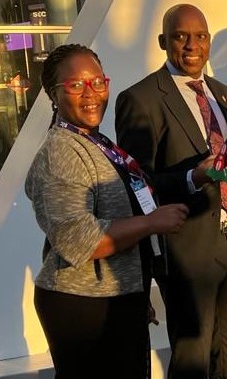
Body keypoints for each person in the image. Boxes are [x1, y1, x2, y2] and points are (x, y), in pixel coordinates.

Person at [115, 4, 227, 379]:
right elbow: (137, 183)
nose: (191, 44)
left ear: (209, 42)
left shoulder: (223, 93)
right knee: (193, 361)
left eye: (200, 36)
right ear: (164, 42)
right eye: (181, 36)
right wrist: (191, 179)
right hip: (188, 248)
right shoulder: (141, 99)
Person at [26, 44, 189, 379]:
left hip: (114, 299)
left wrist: (136, 293)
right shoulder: (61, 152)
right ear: (53, 95)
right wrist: (151, 223)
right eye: (76, 85)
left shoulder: (98, 143)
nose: (92, 94)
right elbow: (81, 242)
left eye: (99, 82)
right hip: (82, 306)